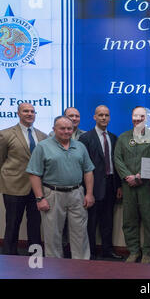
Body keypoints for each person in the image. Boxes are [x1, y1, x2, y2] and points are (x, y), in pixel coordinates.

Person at [26, 116, 95, 259]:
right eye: (62, 128)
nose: (66, 131)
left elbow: (88, 171)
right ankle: (55, 267)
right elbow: (34, 174)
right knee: (53, 234)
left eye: (69, 128)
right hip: (52, 194)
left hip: (77, 194)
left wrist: (89, 194)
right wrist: (40, 198)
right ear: (54, 129)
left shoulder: (80, 146)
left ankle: (81, 265)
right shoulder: (43, 147)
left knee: (80, 232)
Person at [114, 106, 150, 264]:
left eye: (141, 116)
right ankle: (133, 251)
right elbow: (117, 159)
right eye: (135, 116)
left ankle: (148, 252)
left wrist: (140, 176)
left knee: (149, 219)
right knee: (129, 220)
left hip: (147, 187)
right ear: (131, 117)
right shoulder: (123, 137)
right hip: (128, 185)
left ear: (146, 118)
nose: (138, 119)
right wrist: (128, 176)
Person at [0, 103, 47, 255]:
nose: (29, 114)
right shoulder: (6, 134)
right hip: (14, 186)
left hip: (37, 188)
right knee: (13, 223)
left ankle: (35, 256)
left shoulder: (42, 136)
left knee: (35, 223)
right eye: (25, 111)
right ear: (18, 113)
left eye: (32, 111)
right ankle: (9, 255)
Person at [79, 105, 123, 260]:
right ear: (94, 117)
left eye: (106, 115)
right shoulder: (85, 138)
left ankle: (107, 250)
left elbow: (116, 163)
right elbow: (82, 166)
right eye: (100, 115)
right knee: (91, 222)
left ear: (110, 118)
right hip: (93, 186)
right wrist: (87, 191)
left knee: (108, 221)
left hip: (111, 185)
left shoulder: (113, 137)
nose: (104, 118)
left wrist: (118, 185)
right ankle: (90, 252)